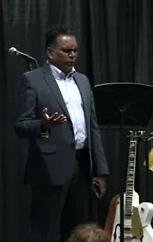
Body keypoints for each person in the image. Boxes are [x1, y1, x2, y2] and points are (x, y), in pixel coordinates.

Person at [15, 24, 109, 241]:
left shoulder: (83, 81)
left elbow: (92, 126)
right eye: (67, 51)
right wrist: (43, 124)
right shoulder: (33, 80)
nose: (73, 55)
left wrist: (101, 170)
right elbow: (21, 125)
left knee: (78, 231)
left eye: (75, 50)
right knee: (44, 231)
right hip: (49, 169)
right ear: (50, 52)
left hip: (82, 167)